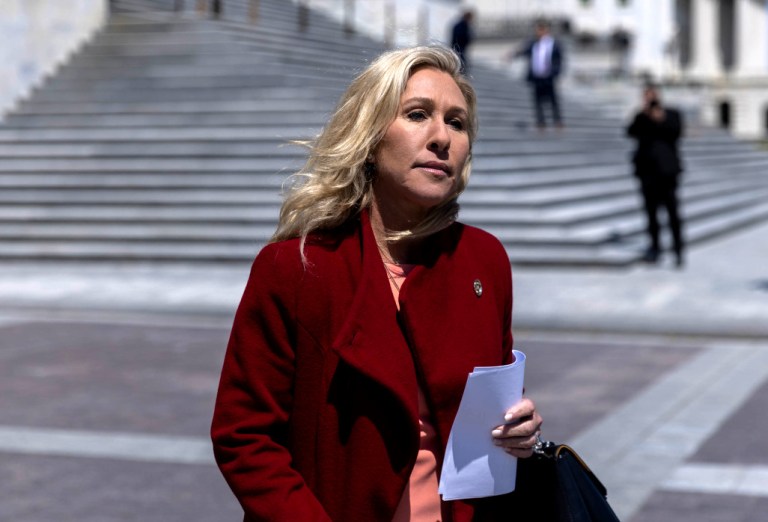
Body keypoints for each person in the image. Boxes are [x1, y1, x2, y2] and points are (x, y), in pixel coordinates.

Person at [211, 46, 543, 521]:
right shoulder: (296, 268)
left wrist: (518, 430)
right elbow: (243, 437)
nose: (441, 138)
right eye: (417, 114)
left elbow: (490, 407)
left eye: (457, 122)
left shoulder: (483, 260)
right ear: (369, 135)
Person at [626, 84, 685, 267]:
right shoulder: (640, 116)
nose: (649, 99)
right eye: (646, 96)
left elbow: (676, 133)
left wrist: (661, 119)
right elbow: (630, 132)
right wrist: (643, 114)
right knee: (651, 213)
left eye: (652, 95)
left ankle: (678, 251)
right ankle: (655, 248)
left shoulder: (671, 114)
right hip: (647, 172)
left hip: (667, 172)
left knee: (672, 212)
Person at [512, 19, 564, 130]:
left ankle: (558, 121)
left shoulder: (553, 43)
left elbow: (558, 60)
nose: (538, 32)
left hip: (549, 77)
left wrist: (556, 73)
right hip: (537, 77)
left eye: (541, 29)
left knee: (553, 100)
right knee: (537, 101)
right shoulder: (533, 43)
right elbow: (523, 51)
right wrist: (512, 55)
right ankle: (541, 122)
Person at [450, 9, 475, 74]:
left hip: (458, 47)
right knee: (460, 63)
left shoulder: (461, 25)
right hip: (459, 47)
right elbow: (461, 36)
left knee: (459, 63)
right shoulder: (463, 25)